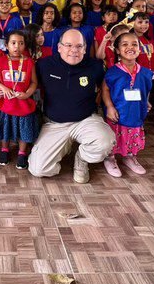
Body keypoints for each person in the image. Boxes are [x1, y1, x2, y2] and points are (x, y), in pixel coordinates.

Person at [27, 29, 116, 183]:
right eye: (68, 45)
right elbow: (26, 83)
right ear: (59, 47)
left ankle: (82, 158)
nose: (74, 50)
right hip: (55, 124)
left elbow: (108, 88)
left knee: (105, 141)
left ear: (85, 49)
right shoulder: (44, 65)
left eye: (79, 46)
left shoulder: (95, 66)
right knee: (38, 169)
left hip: (85, 120)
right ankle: (64, 146)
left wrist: (112, 106)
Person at [101, 31, 153, 177]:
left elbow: (145, 89)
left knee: (133, 134)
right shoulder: (112, 72)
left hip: (136, 111)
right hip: (117, 112)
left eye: (134, 44)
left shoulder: (146, 73)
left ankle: (129, 157)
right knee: (114, 136)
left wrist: (146, 101)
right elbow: (105, 90)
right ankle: (110, 158)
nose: (130, 47)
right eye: (125, 44)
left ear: (139, 49)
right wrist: (110, 107)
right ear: (117, 50)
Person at [0, 30, 39, 170]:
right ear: (6, 45)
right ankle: (4, 149)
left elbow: (34, 82)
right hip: (8, 103)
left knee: (24, 129)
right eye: (13, 43)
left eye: (21, 43)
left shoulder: (29, 62)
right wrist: (3, 88)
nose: (17, 46)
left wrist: (27, 94)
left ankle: (22, 152)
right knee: (6, 128)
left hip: (23, 103)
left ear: (25, 45)